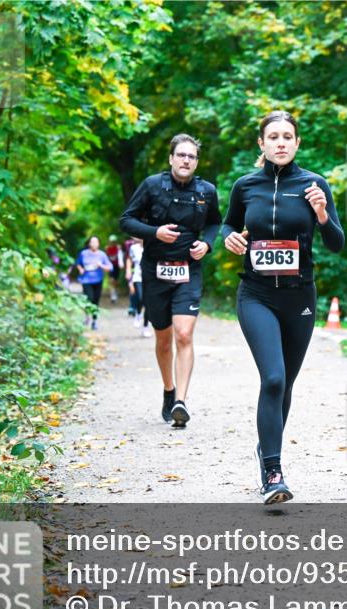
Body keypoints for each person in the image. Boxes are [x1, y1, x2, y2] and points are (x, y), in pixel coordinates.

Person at [221, 110, 345, 504]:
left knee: (285, 383)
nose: (280, 142)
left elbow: (337, 243)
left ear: (297, 143)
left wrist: (322, 213)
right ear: (261, 143)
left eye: (287, 136)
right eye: (272, 136)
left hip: (299, 297)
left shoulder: (314, 184)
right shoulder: (246, 186)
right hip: (256, 294)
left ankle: (266, 447)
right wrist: (229, 239)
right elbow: (227, 224)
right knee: (272, 378)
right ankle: (272, 471)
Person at [119, 133, 221, 427]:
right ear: (171, 159)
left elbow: (215, 222)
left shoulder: (206, 191)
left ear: (196, 162)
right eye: (181, 155)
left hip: (189, 270)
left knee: (184, 335)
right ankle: (168, 390)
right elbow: (126, 220)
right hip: (155, 271)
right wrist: (155, 233)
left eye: (191, 156)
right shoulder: (153, 185)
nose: (186, 160)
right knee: (163, 340)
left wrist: (208, 244)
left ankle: (181, 402)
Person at [74, 236, 114, 330]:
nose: (94, 244)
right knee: (89, 299)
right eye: (92, 242)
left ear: (98, 244)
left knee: (96, 301)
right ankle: (87, 316)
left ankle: (94, 321)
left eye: (96, 242)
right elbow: (78, 263)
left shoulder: (102, 254)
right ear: (89, 243)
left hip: (98, 280)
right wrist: (80, 269)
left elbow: (110, 267)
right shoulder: (83, 253)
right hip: (86, 280)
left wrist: (101, 266)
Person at [125, 237, 152, 338]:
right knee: (140, 298)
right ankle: (138, 313)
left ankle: (145, 327)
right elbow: (129, 259)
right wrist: (128, 270)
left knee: (148, 302)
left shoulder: (153, 246)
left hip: (150, 278)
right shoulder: (133, 248)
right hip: (138, 277)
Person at [105, 235, 123, 304]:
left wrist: (121, 264)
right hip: (110, 266)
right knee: (111, 280)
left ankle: (115, 292)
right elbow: (106, 257)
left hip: (116, 266)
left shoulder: (118, 247)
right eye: (111, 241)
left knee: (116, 281)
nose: (112, 242)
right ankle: (113, 295)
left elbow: (120, 255)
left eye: (113, 241)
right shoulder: (107, 248)